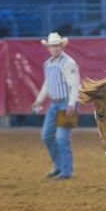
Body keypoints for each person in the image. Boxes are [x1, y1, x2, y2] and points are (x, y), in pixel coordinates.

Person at [32, 32, 80, 180]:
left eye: (57, 46)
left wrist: (72, 104)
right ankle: (59, 167)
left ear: (61, 46)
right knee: (46, 135)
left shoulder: (68, 63)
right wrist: (39, 100)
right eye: (52, 46)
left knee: (61, 137)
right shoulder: (48, 64)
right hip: (55, 103)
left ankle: (66, 171)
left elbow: (75, 85)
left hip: (67, 103)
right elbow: (48, 84)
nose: (55, 48)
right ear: (48, 48)